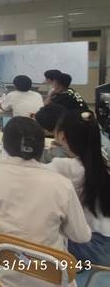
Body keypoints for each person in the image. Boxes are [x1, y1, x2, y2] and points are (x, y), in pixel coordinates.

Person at [0, 117, 91, 287]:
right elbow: (81, 235)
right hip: (46, 276)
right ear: (42, 148)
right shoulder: (62, 185)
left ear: (4, 145)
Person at [49, 110, 110, 265]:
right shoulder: (102, 160)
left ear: (61, 136)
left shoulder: (65, 166)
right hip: (105, 239)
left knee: (39, 235)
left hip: (93, 247)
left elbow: (32, 173)